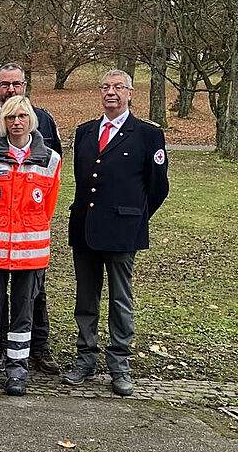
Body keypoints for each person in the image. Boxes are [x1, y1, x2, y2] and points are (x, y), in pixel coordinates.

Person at [62, 70, 169, 397]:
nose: (111, 92)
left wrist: (134, 218)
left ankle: (119, 363)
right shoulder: (85, 132)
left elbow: (158, 187)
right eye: (106, 87)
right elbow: (83, 180)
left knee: (120, 299)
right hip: (85, 228)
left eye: (118, 87)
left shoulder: (148, 134)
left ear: (130, 93)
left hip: (123, 230)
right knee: (86, 298)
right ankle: (85, 358)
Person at [0, 62, 62, 374]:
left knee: (30, 302)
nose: (10, 90)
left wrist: (28, 224)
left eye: (16, 84)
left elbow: (48, 201)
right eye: (5, 84)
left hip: (29, 242)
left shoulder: (46, 124)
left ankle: (30, 354)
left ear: (25, 86)